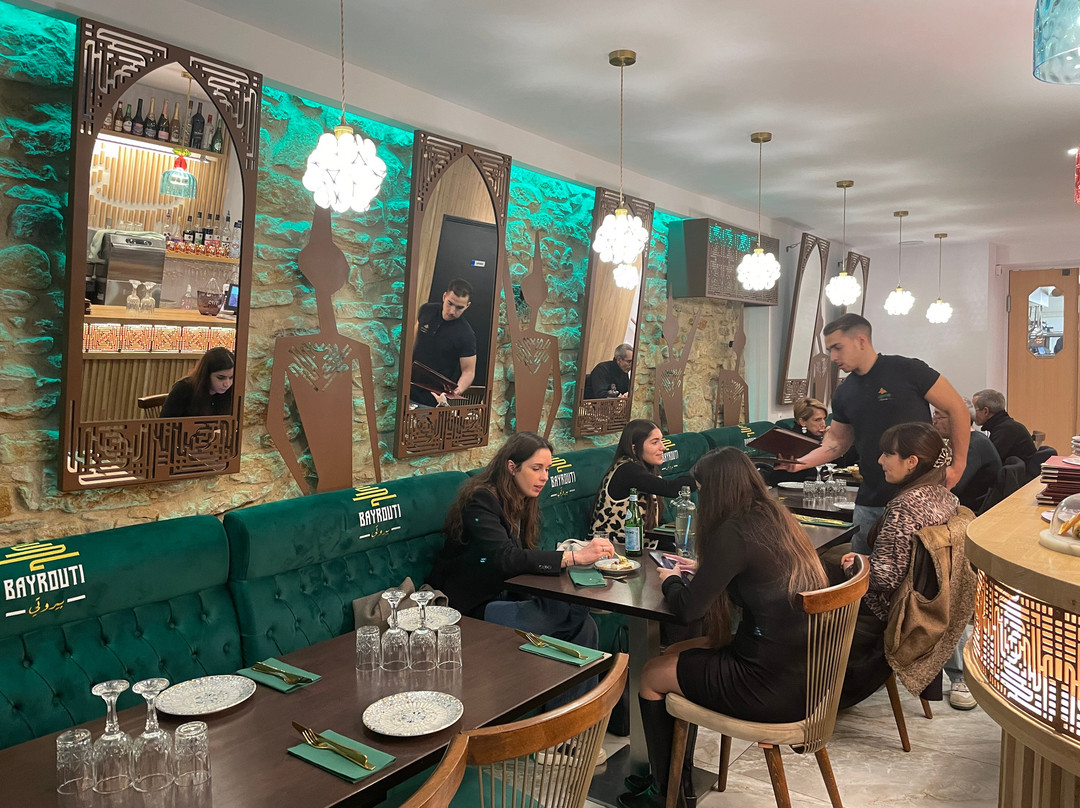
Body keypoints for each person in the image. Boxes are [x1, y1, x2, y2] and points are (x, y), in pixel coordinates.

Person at [617, 447, 828, 808]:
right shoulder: (774, 517)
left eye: (702, 491)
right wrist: (707, 569)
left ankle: (666, 795)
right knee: (678, 653)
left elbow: (687, 609)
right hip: (806, 676)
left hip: (768, 687)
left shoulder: (734, 531)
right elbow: (756, 572)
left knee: (651, 674)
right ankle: (674, 779)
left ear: (715, 490)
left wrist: (670, 579)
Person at [778, 314, 969, 554]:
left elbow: (957, 409)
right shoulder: (844, 392)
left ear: (861, 341)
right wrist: (801, 462)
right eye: (830, 350)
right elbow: (836, 443)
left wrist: (958, 465)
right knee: (861, 567)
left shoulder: (908, 370)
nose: (833, 357)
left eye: (838, 348)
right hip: (870, 499)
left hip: (921, 497)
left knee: (919, 570)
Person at [428, 431, 615, 639]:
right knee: (560, 612)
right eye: (536, 468)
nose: (544, 477)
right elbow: (505, 557)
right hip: (475, 604)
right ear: (512, 467)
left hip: (510, 593)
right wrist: (574, 557)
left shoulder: (523, 500)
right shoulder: (480, 500)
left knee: (584, 624)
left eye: (547, 469)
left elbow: (523, 557)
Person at [839, 422, 963, 709]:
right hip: (928, 607)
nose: (880, 461)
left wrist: (855, 565)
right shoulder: (946, 497)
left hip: (893, 612)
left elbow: (884, 579)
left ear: (911, 462)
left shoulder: (905, 506)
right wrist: (868, 560)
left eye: (887, 454)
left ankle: (816, 690)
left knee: (812, 581)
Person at [592, 419, 696, 541]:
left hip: (640, 542)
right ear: (634, 448)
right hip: (614, 545)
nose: (663, 447)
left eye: (661, 441)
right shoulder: (627, 470)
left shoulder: (647, 468)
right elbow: (669, 488)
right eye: (655, 442)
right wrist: (700, 478)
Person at [410, 278, 477, 407]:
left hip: (434, 398)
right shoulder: (427, 310)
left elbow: (468, 372)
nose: (452, 311)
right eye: (450, 303)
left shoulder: (466, 335)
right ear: (444, 296)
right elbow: (412, 343)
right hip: (408, 387)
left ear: (467, 305)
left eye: (459, 307)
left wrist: (456, 391)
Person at [763, 397, 857, 486]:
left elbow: (837, 469)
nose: (823, 424)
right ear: (802, 422)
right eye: (817, 420)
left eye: (824, 419)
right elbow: (816, 473)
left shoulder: (818, 437)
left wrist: (837, 445)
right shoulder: (792, 441)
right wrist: (825, 445)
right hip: (791, 489)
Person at [932, 400, 1001, 512]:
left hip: (970, 510)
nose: (933, 421)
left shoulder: (973, 445)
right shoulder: (971, 440)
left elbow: (953, 487)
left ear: (958, 419)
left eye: (938, 416)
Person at [160, 347, 235, 417]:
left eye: (231, 377)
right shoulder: (183, 389)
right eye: (220, 378)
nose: (227, 384)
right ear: (206, 374)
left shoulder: (232, 391)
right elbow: (164, 423)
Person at [971, 388, 1037, 465]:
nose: (972, 414)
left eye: (974, 410)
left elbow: (987, 461)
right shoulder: (1006, 426)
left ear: (986, 411)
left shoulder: (1006, 430)